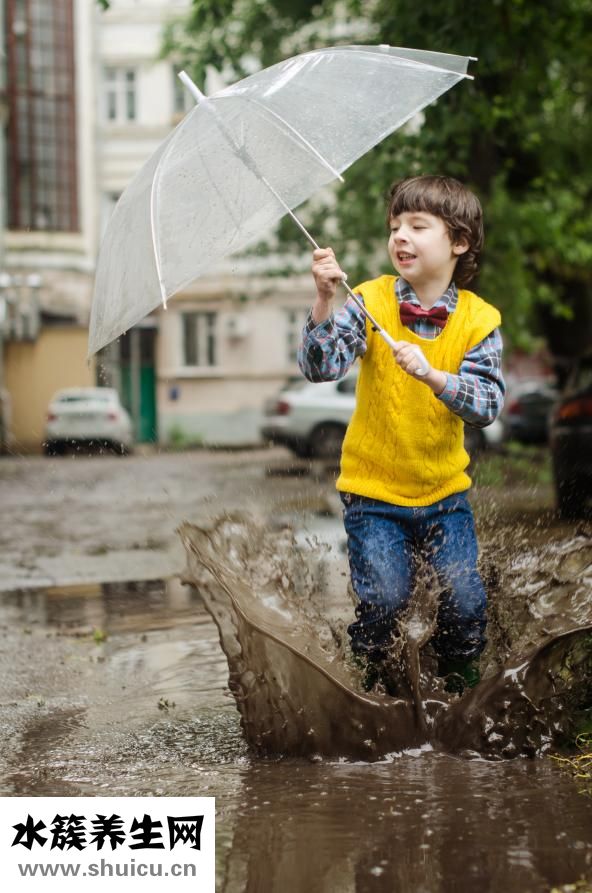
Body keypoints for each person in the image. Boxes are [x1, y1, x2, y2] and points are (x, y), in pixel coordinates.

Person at [298, 175, 505, 695]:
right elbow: (321, 367)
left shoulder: (479, 321)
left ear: (458, 242)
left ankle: (462, 693)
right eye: (395, 227)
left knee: (465, 599)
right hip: (372, 493)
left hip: (443, 494)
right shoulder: (368, 300)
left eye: (417, 226)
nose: (400, 238)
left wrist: (435, 376)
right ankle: (369, 687)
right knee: (385, 600)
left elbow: (487, 406)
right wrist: (324, 300)